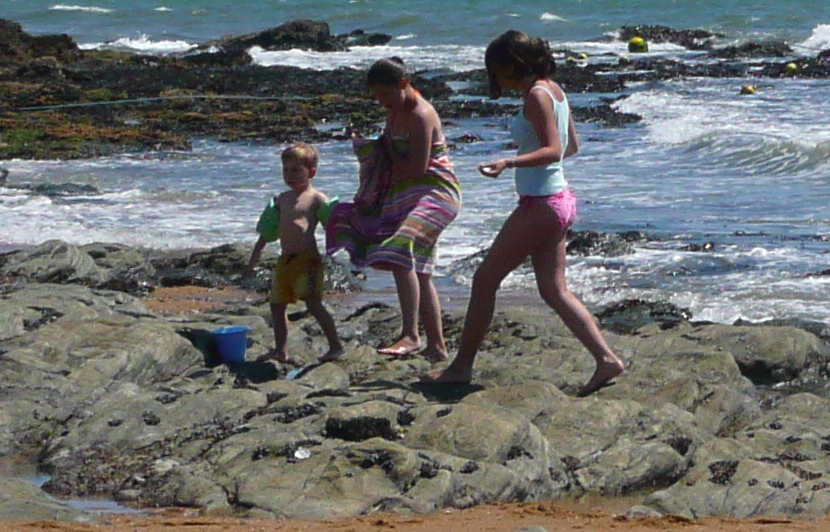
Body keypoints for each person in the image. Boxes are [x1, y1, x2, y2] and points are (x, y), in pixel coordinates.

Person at [429, 30, 625, 394]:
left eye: (496, 69)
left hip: (542, 205)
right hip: (559, 200)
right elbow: (572, 147)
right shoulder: (554, 90)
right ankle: (607, 360)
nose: (495, 78)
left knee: (484, 280)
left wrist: (510, 161)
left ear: (510, 65)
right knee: (554, 290)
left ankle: (461, 367)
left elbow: (553, 149)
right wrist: (533, 159)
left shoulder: (536, 95)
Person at [328, 58, 458, 361]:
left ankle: (411, 335)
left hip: (437, 191)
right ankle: (437, 347)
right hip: (405, 193)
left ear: (403, 84)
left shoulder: (421, 115)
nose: (382, 102)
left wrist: (386, 154)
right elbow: (389, 148)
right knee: (420, 272)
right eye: (377, 97)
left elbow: (417, 167)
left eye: (386, 94)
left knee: (399, 251)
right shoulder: (394, 111)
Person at [250, 142, 346, 364]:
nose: (288, 175)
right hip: (285, 260)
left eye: (295, 170)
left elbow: (336, 228)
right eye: (285, 170)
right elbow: (266, 233)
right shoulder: (281, 200)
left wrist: (353, 247)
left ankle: (336, 346)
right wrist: (254, 259)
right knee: (276, 305)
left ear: (311, 172)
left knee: (313, 304)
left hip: (308, 260)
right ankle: (281, 350)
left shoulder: (316, 199)